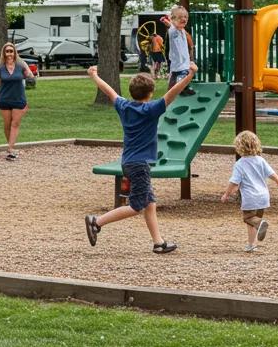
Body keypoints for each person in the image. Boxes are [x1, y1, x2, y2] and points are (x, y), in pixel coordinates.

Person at [83, 62, 197, 254]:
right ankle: (97, 222)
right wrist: (190, 75)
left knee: (150, 203)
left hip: (128, 162)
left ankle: (158, 242)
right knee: (136, 206)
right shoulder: (151, 110)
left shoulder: (124, 106)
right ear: (150, 93)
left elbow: (109, 91)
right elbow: (173, 93)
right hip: (140, 164)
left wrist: (94, 75)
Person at [221, 130, 278, 252]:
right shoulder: (260, 160)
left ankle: (260, 224)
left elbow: (234, 182)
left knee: (248, 218)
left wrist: (226, 194)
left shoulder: (240, 164)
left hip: (250, 197)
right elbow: (271, 173)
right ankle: (251, 245)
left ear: (239, 147)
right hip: (263, 196)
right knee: (253, 222)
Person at [0, 42, 35, 160]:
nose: (9, 53)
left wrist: (30, 72)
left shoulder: (21, 66)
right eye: (7, 51)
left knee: (15, 124)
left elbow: (30, 77)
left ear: (15, 53)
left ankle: (10, 149)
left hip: (19, 99)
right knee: (7, 124)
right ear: (4, 53)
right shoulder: (0, 68)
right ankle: (11, 147)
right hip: (4, 99)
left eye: (11, 51)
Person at [161, 5, 194, 94]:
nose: (184, 19)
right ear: (173, 20)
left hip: (182, 64)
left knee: (174, 80)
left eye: (186, 17)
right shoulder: (173, 31)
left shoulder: (182, 30)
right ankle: (182, 88)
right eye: (180, 17)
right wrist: (167, 21)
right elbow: (172, 26)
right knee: (181, 77)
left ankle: (176, 90)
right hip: (178, 64)